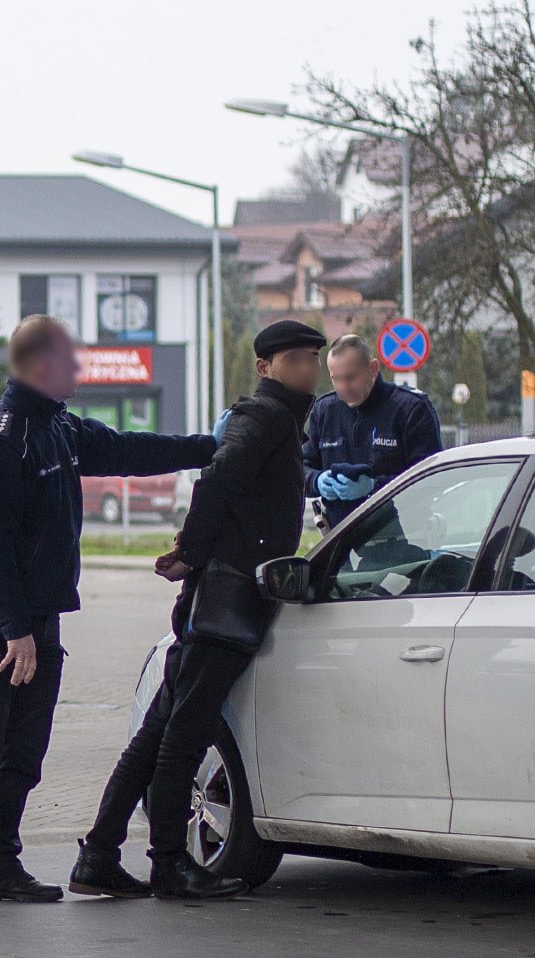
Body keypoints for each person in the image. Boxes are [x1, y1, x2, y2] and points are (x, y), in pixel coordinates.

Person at [0, 314, 216, 919]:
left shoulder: (55, 427)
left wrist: (211, 447)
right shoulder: (2, 440)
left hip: (38, 616)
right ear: (38, 366)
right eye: (70, 359)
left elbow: (126, 450)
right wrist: (17, 631)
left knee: (22, 753)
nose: (79, 369)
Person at [72, 319, 325, 902]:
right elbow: (214, 482)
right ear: (266, 367)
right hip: (227, 599)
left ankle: (98, 854)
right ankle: (167, 863)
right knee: (182, 735)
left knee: (161, 730)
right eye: (296, 358)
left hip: (220, 595)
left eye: (313, 357)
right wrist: (191, 552)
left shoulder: (283, 420)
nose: (308, 367)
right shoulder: (263, 417)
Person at [302, 334, 443, 528]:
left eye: (351, 377)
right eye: (337, 379)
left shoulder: (411, 408)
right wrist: (317, 481)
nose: (344, 387)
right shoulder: (325, 410)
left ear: (373, 369)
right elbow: (301, 469)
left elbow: (431, 479)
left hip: (401, 536)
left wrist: (374, 488)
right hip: (339, 538)